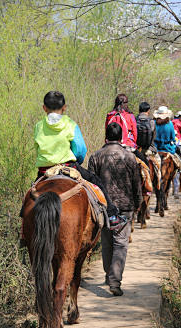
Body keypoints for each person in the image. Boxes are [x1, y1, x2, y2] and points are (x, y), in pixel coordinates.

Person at [33, 91, 127, 231]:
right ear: (64, 107)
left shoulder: (38, 126)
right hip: (68, 167)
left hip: (44, 171)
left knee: (30, 195)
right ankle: (112, 216)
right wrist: (78, 161)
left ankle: (24, 230)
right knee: (96, 182)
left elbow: (37, 148)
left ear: (44, 108)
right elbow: (80, 150)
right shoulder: (70, 124)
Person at [88, 122, 142, 296]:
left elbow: (91, 185)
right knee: (121, 244)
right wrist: (138, 202)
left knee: (107, 243)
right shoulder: (130, 157)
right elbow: (136, 183)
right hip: (125, 208)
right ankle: (115, 281)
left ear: (106, 136)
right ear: (120, 138)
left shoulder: (95, 157)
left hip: (103, 207)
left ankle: (108, 274)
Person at [105, 94, 150, 167]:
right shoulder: (130, 115)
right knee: (146, 164)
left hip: (110, 144)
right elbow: (134, 133)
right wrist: (134, 144)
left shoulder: (109, 115)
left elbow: (106, 131)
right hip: (127, 145)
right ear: (126, 103)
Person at [135, 101, 161, 168]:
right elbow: (154, 138)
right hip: (149, 150)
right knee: (158, 161)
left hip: (136, 150)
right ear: (148, 111)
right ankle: (159, 178)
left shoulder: (134, 120)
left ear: (139, 110)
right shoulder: (151, 122)